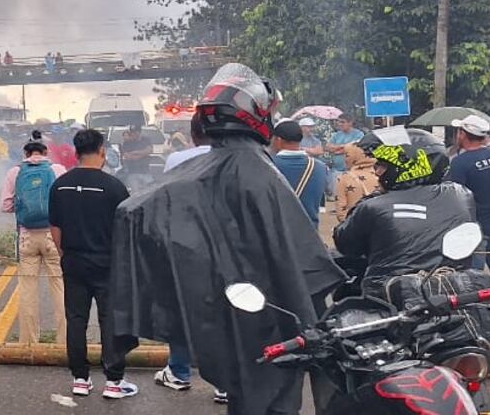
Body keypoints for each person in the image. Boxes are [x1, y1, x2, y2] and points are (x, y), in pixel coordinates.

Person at [110, 64, 343, 415]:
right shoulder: (256, 170)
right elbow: (300, 258)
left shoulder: (210, 170)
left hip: (238, 308)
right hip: (268, 316)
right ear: (256, 114)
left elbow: (135, 209)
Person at [49, 128, 136, 399]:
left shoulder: (60, 185)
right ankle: (113, 382)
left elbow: (55, 227)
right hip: (107, 262)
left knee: (76, 319)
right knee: (110, 320)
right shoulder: (114, 186)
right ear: (102, 151)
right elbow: (126, 228)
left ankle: (80, 379)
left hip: (73, 260)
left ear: (76, 153)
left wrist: (65, 253)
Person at [335, 142, 472, 297]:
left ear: (405, 168)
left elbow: (345, 243)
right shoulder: (460, 194)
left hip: (390, 292)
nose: (377, 172)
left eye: (382, 166)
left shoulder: (373, 206)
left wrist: (370, 199)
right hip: (454, 287)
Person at [155, 112, 213, 395]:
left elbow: (167, 199)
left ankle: (179, 372)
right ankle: (224, 384)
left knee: (180, 309)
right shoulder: (234, 159)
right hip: (224, 247)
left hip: (183, 244)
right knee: (223, 311)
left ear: (192, 135)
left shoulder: (176, 160)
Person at [1, 135, 67, 346]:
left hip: (27, 235)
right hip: (53, 235)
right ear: (45, 153)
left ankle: (28, 343)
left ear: (26, 155)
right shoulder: (57, 170)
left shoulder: (15, 172)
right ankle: (65, 341)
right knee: (60, 287)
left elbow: (6, 205)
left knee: (28, 289)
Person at [448, 115, 490, 266]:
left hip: (477, 228)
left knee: (474, 279)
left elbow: (455, 198)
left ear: (463, 134)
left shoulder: (459, 163)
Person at [269, 120, 329, 227]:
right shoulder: (320, 167)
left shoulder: (268, 165)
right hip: (309, 232)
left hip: (278, 232)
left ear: (278, 140)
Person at [336, 139, 379, 223]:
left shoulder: (345, 178)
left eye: (347, 155)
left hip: (353, 226)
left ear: (354, 157)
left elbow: (341, 211)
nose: (345, 159)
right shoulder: (382, 175)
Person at [324, 114, 364, 197]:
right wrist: (344, 147)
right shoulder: (337, 135)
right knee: (337, 196)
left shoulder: (359, 134)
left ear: (350, 123)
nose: (340, 124)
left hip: (352, 171)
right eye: (338, 122)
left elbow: (355, 148)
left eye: (343, 122)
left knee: (352, 196)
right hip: (337, 171)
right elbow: (328, 147)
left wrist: (338, 149)